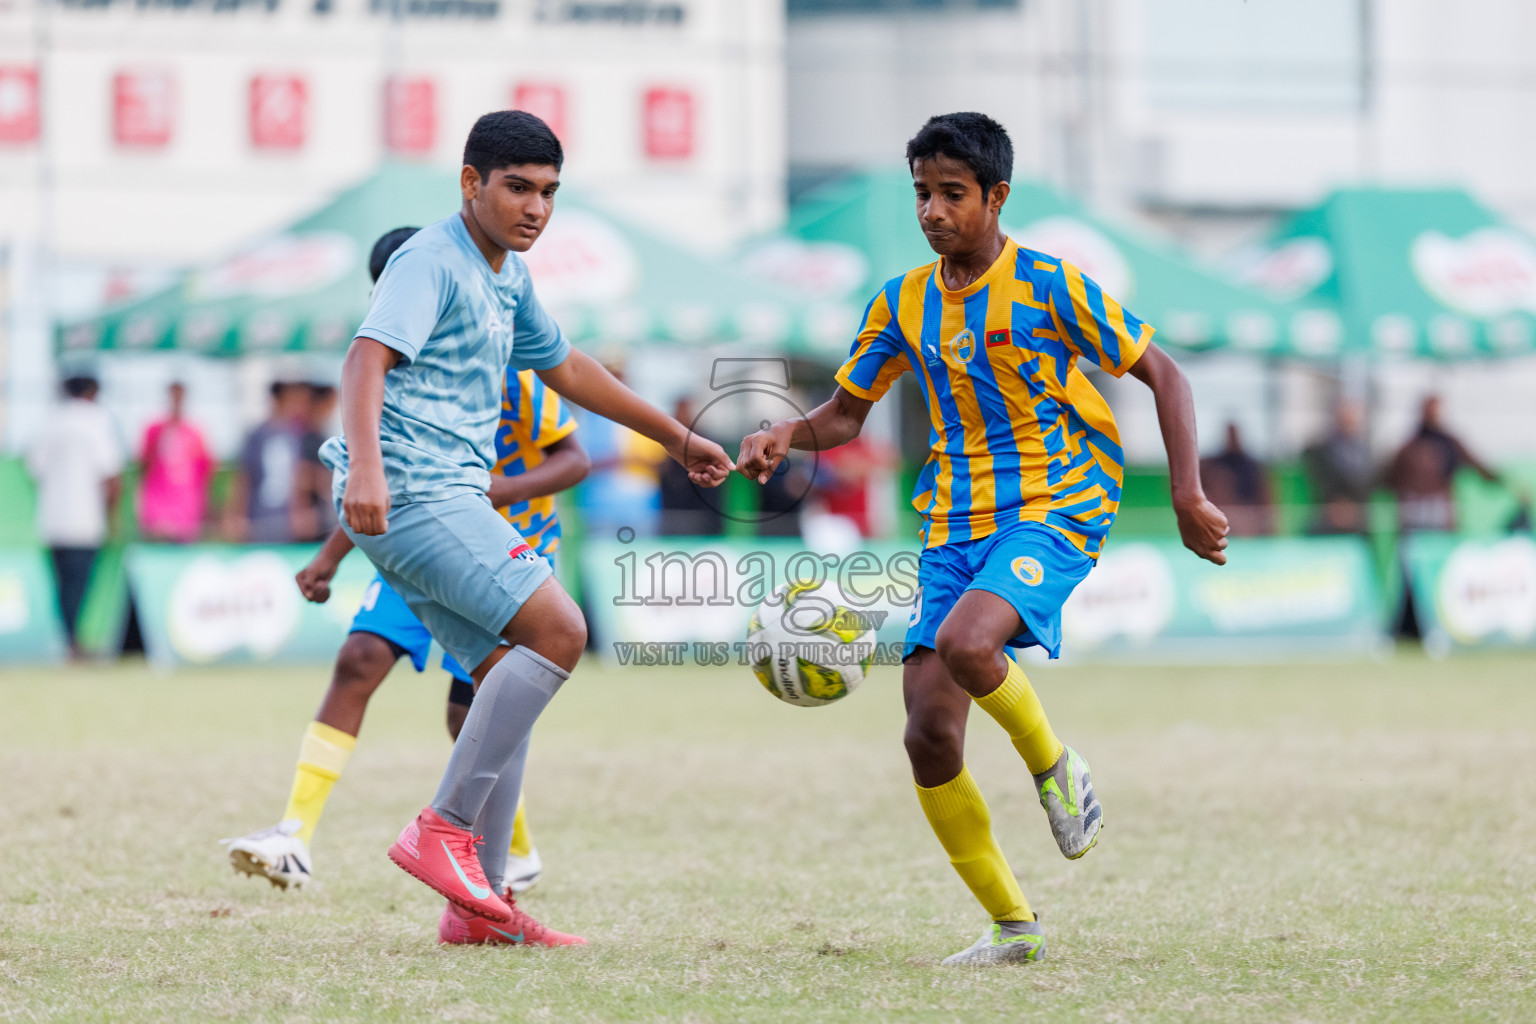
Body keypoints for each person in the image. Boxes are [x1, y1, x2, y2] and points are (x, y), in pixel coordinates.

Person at [736, 112, 1228, 967]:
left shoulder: (1048, 286)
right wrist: (788, 434)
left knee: (969, 642)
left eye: (951, 194)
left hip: (1059, 498)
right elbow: (847, 413)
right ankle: (1011, 927)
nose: (932, 210)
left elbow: (1164, 372)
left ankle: (1055, 769)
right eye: (922, 193)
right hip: (951, 523)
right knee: (927, 736)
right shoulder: (901, 301)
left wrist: (1186, 491)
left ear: (997, 196)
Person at [323, 112, 731, 946]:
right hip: (411, 487)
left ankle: (481, 908)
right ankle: (443, 828)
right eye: (517, 187)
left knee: (505, 668)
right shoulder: (429, 258)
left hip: (438, 490)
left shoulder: (503, 274)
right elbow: (366, 356)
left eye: (548, 192)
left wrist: (679, 438)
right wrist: (366, 468)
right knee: (560, 629)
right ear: (471, 183)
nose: (535, 207)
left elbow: (571, 368)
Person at [222, 229, 588, 926]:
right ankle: (295, 834)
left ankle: (503, 863)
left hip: (494, 546)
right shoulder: (386, 367)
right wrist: (331, 556)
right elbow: (372, 476)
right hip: (417, 534)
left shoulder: (507, 365)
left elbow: (573, 457)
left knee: (477, 705)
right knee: (359, 658)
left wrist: (486, 493)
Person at [26, 375, 125, 655]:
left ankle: (69, 640)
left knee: (62, 585)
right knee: (79, 585)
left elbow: (34, 468)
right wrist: (113, 515)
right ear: (92, 392)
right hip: (86, 519)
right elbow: (111, 473)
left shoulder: (51, 420)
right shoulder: (96, 419)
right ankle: (74, 642)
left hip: (53, 518)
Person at [1386, 395, 1498, 533]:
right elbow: (1392, 479)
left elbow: (1478, 467)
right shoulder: (1409, 448)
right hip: (1414, 509)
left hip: (1441, 510)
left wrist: (1502, 481)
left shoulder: (1450, 444)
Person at [225, 381, 310, 543]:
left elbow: (297, 477)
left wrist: (300, 512)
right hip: (257, 518)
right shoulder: (257, 435)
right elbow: (244, 476)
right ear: (278, 400)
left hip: (285, 520)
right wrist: (236, 516)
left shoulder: (295, 436)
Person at [137, 381, 214, 543]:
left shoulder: (195, 432)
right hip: (157, 514)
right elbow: (144, 467)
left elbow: (204, 473)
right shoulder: (155, 430)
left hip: (187, 515)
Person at [1302, 398, 1373, 535]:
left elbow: (1368, 483)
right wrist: (1336, 504)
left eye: (1352, 420)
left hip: (1357, 520)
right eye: (1345, 420)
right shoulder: (1320, 451)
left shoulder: (1364, 451)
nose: (1349, 424)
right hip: (1329, 518)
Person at [658, 396, 724, 536]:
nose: (681, 415)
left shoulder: (706, 443)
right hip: (674, 518)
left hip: (705, 518)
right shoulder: (668, 446)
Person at [1200, 422, 1273, 537]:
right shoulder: (1216, 463)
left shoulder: (1251, 465)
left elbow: (1265, 493)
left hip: (1248, 512)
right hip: (1226, 512)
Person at [294, 383, 340, 543]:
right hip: (309, 520)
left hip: (320, 517)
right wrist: (303, 509)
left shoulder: (319, 435)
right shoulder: (306, 437)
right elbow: (302, 477)